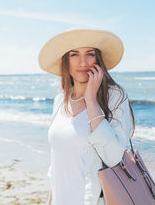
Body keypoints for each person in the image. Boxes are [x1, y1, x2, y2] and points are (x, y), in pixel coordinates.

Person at [38, 28, 135, 205]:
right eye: (74, 54)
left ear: (98, 59)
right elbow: (57, 163)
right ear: (65, 62)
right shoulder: (61, 99)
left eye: (89, 54)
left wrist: (91, 100)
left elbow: (113, 157)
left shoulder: (115, 96)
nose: (82, 62)